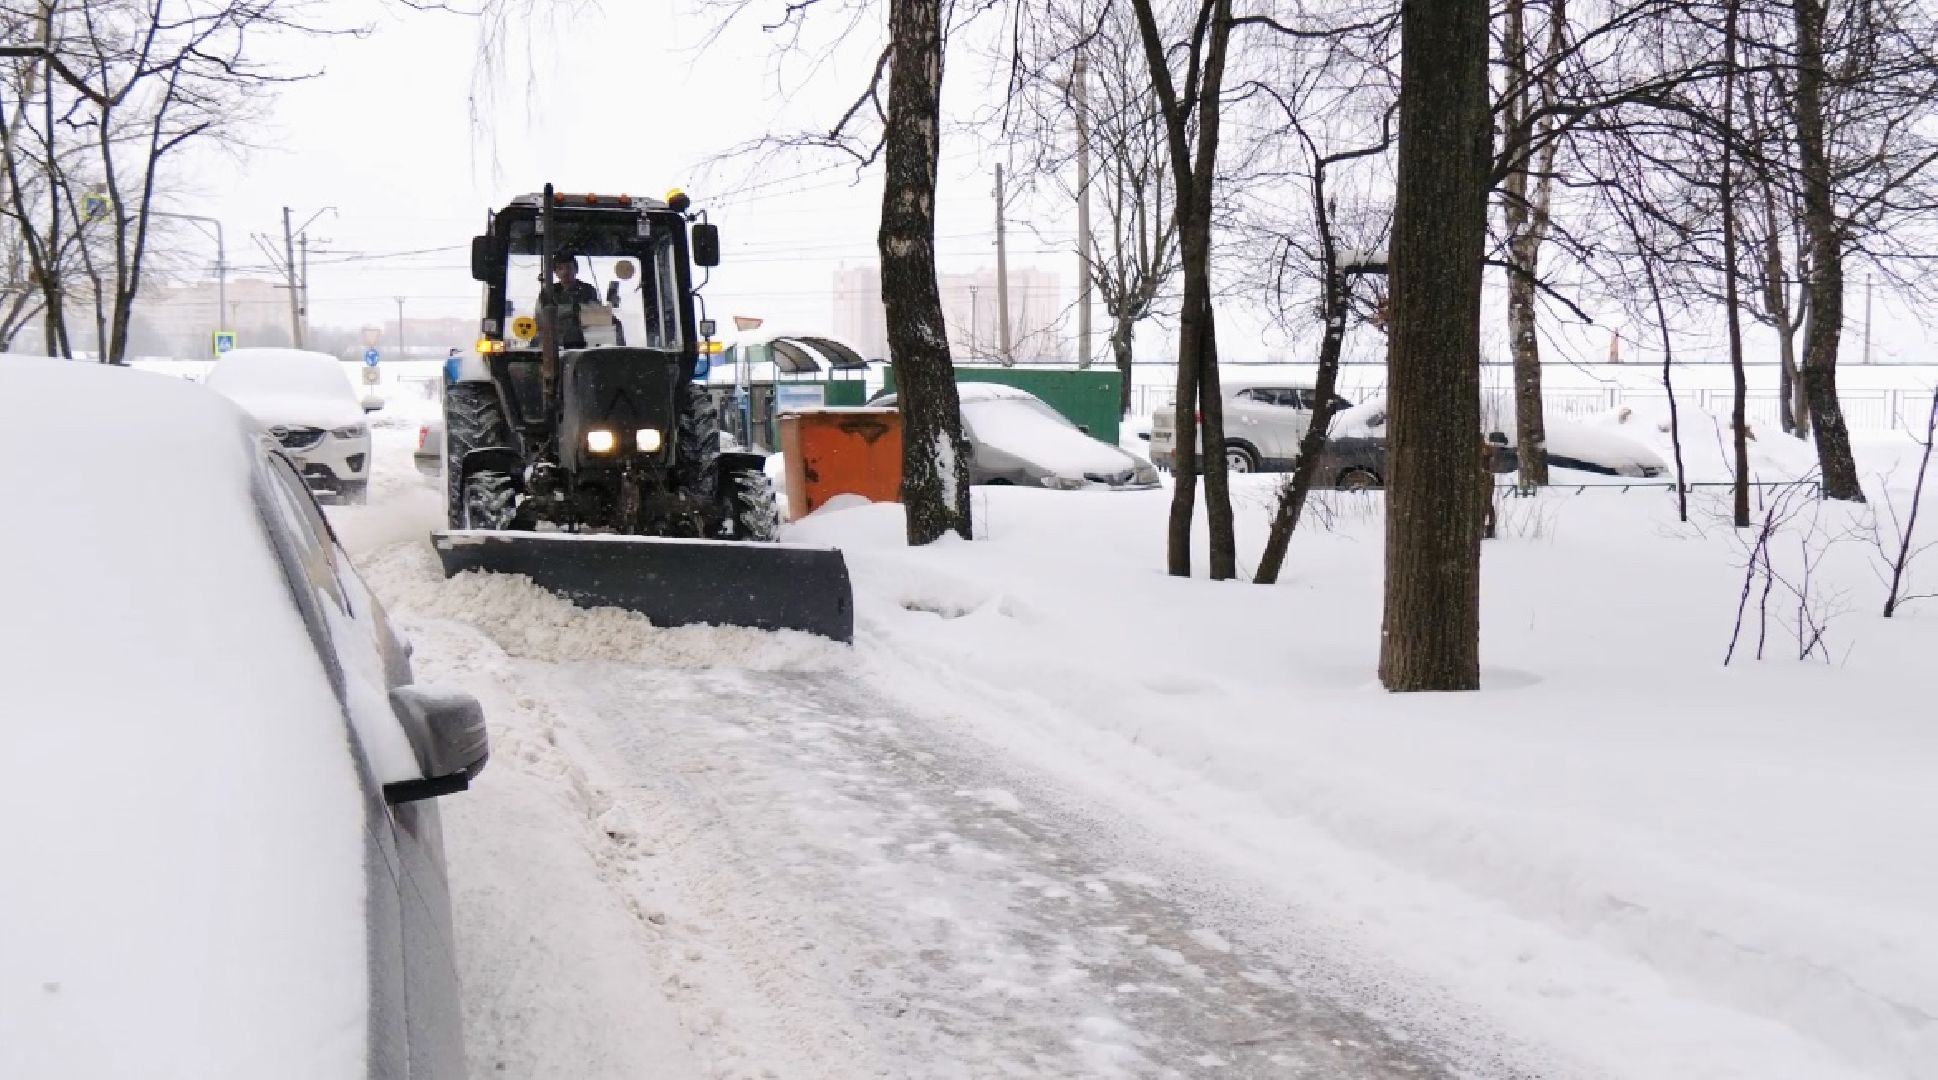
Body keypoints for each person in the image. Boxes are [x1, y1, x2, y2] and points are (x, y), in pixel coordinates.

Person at [541, 253, 600, 349]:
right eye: (560, 268)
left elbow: (595, 315)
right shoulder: (548, 292)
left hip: (583, 343)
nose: (565, 272)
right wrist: (574, 309)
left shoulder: (587, 290)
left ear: (576, 270)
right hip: (556, 344)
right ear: (555, 272)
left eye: (569, 267)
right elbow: (542, 317)